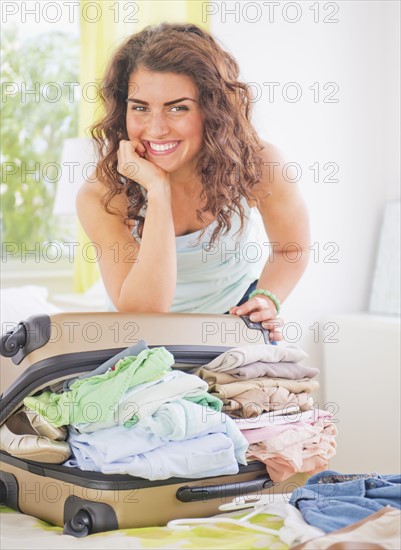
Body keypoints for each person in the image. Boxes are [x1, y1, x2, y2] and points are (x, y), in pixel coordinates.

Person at [76, 22, 310, 342]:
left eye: (178, 108)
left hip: (232, 327)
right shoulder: (102, 194)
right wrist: (158, 190)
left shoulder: (258, 164)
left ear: (213, 109)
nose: (156, 129)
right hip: (141, 340)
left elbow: (290, 249)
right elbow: (145, 312)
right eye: (140, 108)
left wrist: (266, 299)